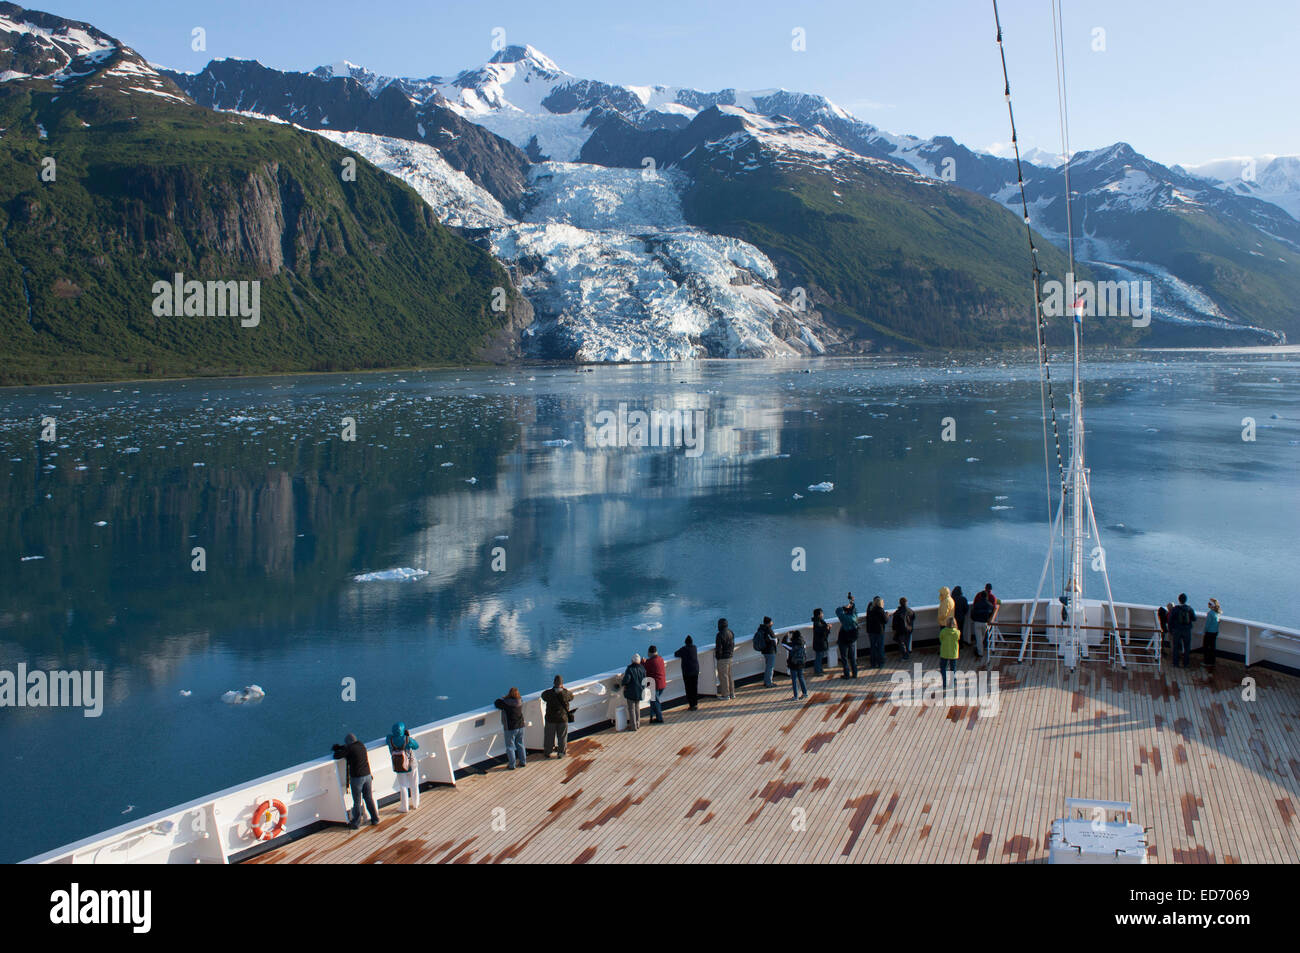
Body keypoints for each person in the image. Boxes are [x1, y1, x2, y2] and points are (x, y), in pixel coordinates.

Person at [332, 732, 379, 828]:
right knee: (368, 798)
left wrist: (338, 749)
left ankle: (356, 822)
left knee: (357, 801)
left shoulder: (349, 749)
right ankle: (375, 818)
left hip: (357, 778)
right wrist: (343, 747)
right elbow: (349, 749)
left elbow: (336, 756)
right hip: (367, 776)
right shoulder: (361, 745)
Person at [387, 722, 420, 813]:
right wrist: (407, 736)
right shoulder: (407, 739)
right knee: (414, 784)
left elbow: (388, 736)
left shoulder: (390, 740)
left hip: (399, 766)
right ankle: (415, 804)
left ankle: (404, 807)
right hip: (411, 764)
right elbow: (416, 746)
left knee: (403, 786)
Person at [541, 676, 574, 757]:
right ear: (562, 684)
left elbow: (543, 696)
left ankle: (548, 752)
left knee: (549, 736)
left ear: (554, 683)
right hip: (562, 718)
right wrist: (564, 690)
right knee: (562, 737)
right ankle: (561, 753)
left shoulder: (548, 693)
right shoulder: (566, 693)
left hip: (550, 719)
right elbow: (571, 697)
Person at [494, 687, 527, 769]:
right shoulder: (520, 701)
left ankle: (512, 765)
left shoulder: (506, 703)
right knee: (520, 744)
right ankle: (523, 761)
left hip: (510, 728)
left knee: (510, 747)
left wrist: (504, 698)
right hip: (521, 726)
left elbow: (497, 702)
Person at [1168, 593, 1197, 668]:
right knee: (1187, 647)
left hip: (1177, 630)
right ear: (1185, 600)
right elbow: (1194, 618)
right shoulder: (1189, 609)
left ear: (1179, 600)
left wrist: (1170, 630)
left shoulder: (1175, 609)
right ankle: (1186, 663)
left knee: (1176, 647)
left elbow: (1170, 620)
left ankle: (1175, 663)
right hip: (1187, 630)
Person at [621, 654, 647, 730]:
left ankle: (633, 726)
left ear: (632, 661)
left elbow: (627, 679)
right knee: (637, 707)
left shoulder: (630, 669)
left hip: (631, 692)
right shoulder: (642, 668)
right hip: (639, 691)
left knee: (631, 709)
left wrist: (623, 683)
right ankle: (638, 723)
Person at [835, 596, 859, 679]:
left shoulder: (844, 617)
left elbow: (838, 610)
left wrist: (844, 607)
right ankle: (855, 673)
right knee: (852, 657)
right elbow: (855, 610)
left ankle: (847, 674)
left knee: (844, 658)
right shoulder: (855, 616)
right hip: (852, 639)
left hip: (843, 639)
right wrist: (852, 603)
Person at [781, 630, 808, 699]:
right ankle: (805, 693)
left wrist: (786, 635)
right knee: (801, 678)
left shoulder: (792, 645)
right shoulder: (803, 644)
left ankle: (796, 696)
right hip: (801, 663)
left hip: (793, 664)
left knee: (794, 680)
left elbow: (783, 644)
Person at [675, 637, 700, 709]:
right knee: (694, 688)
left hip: (687, 672)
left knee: (688, 688)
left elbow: (676, 653)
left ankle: (691, 705)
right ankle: (695, 704)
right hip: (695, 670)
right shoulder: (694, 648)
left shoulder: (684, 649)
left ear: (685, 642)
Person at [643, 646, 667, 723]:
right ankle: (652, 716)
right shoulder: (661, 659)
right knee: (653, 701)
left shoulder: (650, 662)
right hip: (662, 683)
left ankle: (659, 719)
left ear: (650, 653)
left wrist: (643, 661)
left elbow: (645, 665)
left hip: (655, 685)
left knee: (655, 702)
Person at [714, 619, 736, 700]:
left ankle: (726, 695)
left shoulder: (720, 635)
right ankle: (732, 693)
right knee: (730, 676)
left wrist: (718, 656)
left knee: (723, 677)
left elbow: (718, 648)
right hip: (730, 656)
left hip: (723, 658)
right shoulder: (731, 632)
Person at [754, 617, 778, 687]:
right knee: (770, 667)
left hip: (764, 650)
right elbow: (774, 640)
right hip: (770, 651)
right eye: (771, 622)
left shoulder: (761, 629)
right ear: (769, 623)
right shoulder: (768, 630)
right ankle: (769, 683)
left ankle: (766, 681)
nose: (772, 623)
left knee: (768, 666)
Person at [865, 596, 888, 668]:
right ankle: (881, 663)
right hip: (879, 631)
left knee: (873, 647)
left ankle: (873, 663)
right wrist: (887, 615)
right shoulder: (880, 610)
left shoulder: (870, 610)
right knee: (880, 647)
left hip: (871, 631)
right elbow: (885, 621)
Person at [939, 618, 960, 692]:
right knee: (953, 668)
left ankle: (944, 683)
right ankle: (952, 683)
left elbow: (940, 639)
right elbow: (958, 639)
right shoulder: (957, 632)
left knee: (943, 668)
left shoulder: (943, 631)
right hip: (953, 653)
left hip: (944, 652)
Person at [892, 597, 915, 661]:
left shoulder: (898, 612)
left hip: (901, 630)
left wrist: (894, 630)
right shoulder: (910, 611)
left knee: (901, 643)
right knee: (907, 643)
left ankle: (905, 656)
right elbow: (913, 619)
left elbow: (895, 623)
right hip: (909, 629)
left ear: (900, 603)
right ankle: (907, 655)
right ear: (906, 603)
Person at [811, 608, 831, 675]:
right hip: (819, 643)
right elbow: (822, 632)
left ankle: (820, 670)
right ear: (819, 615)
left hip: (820, 642)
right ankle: (817, 671)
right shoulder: (817, 623)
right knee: (818, 657)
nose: (823, 614)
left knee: (820, 657)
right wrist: (827, 628)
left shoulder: (819, 621)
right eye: (821, 613)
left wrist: (827, 627)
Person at [1203, 599, 1221, 670]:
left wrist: (1204, 631)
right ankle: (1212, 661)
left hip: (1209, 633)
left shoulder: (1210, 613)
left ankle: (1206, 662)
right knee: (1213, 647)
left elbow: (1207, 624)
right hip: (1215, 632)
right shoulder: (1218, 613)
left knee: (1206, 647)